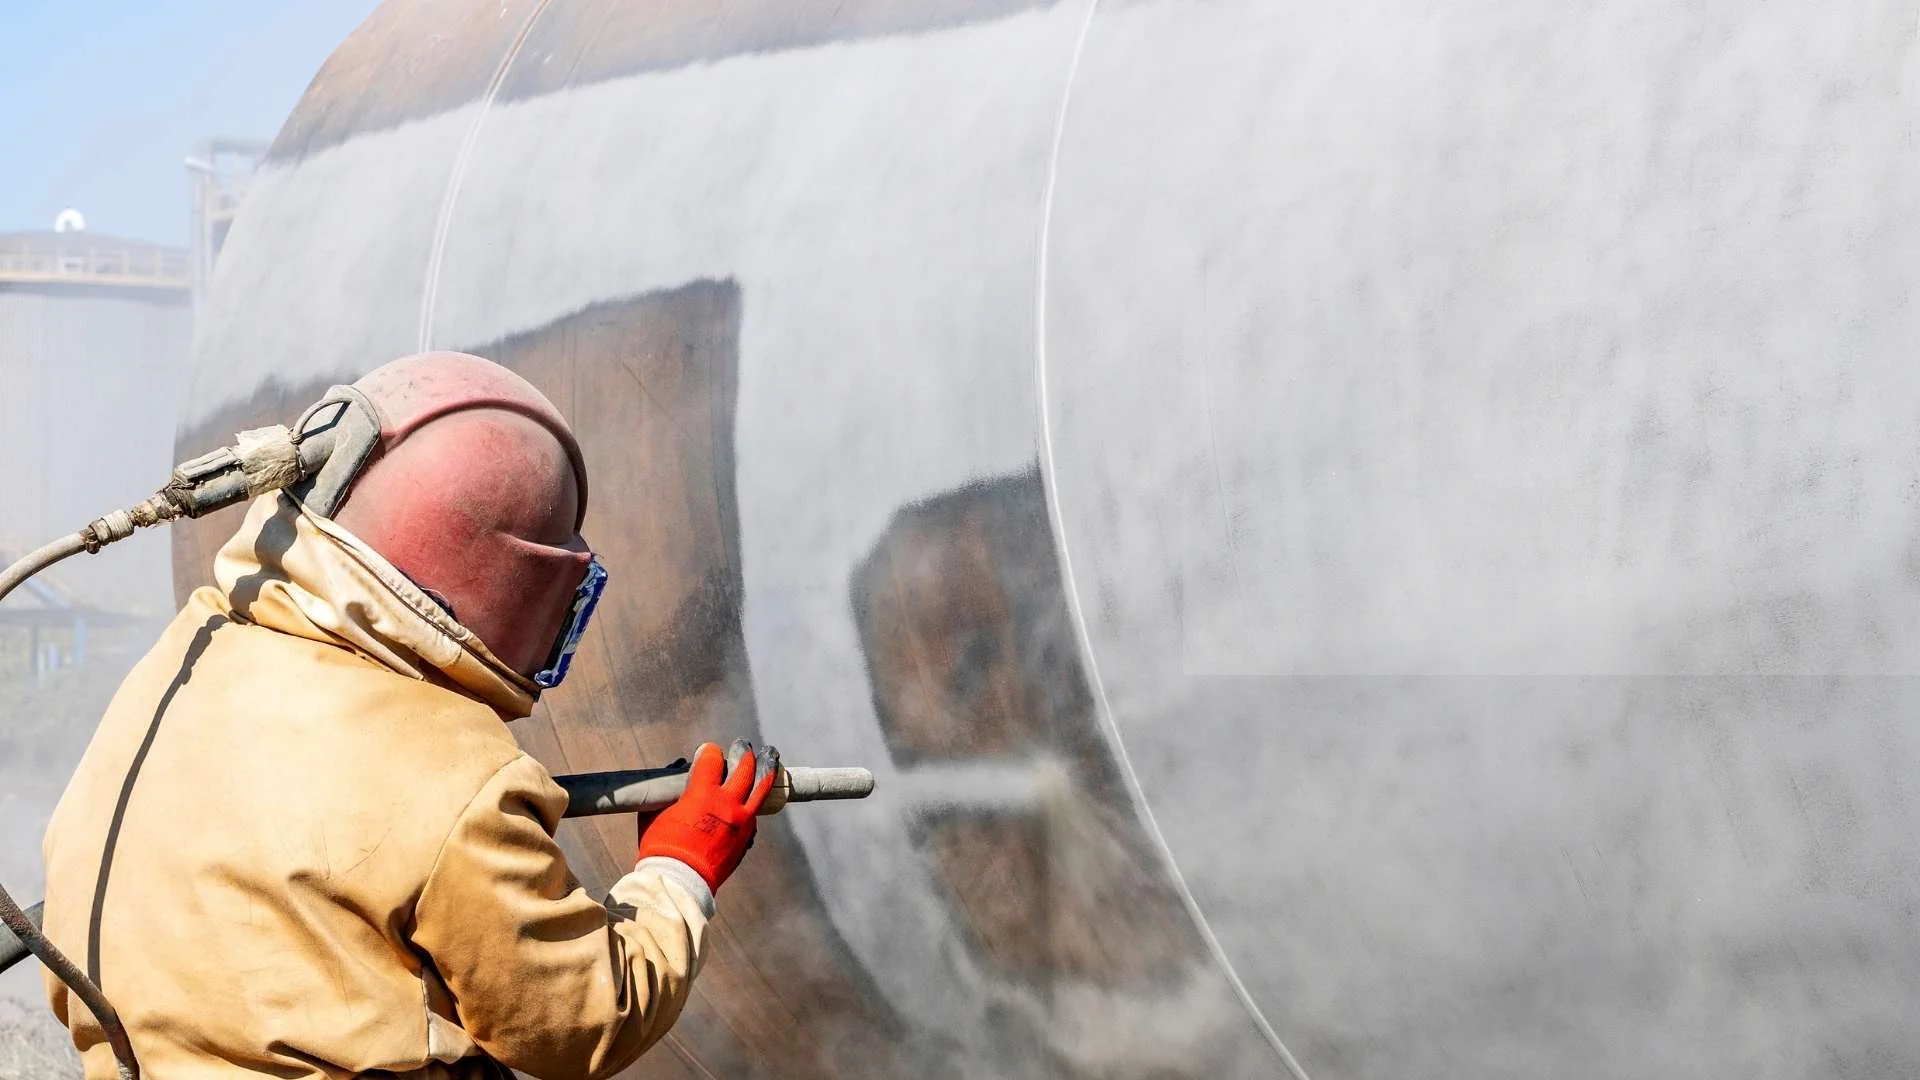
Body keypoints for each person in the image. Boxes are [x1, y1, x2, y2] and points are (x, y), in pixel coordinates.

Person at [38, 352, 771, 1078]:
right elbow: (576, 1022)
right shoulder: (460, 777)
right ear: (513, 589)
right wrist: (678, 873)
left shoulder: (191, 652)